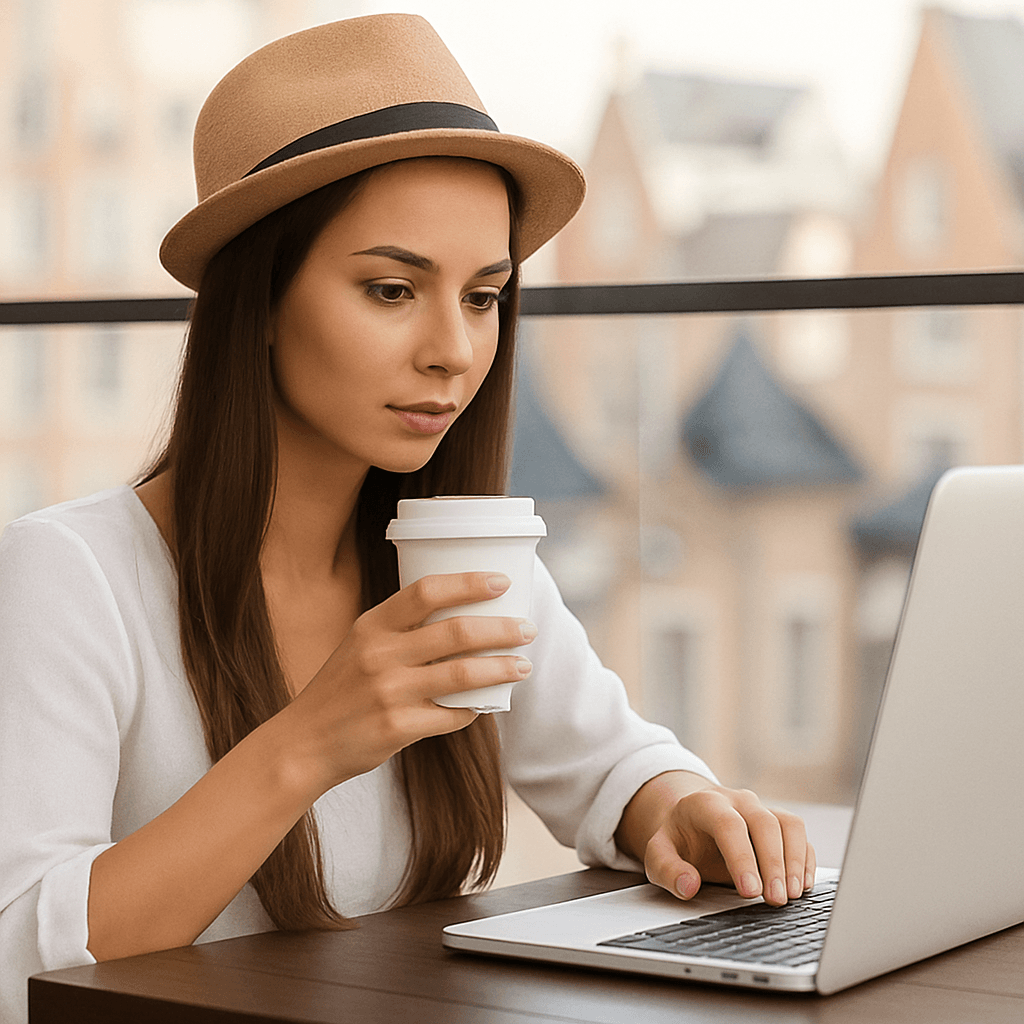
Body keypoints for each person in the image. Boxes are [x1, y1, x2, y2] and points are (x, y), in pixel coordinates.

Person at [0, 14, 815, 1023]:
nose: (453, 350)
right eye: (392, 289)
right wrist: (307, 744)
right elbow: (16, 957)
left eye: (482, 297)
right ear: (256, 297)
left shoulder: (451, 554)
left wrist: (682, 809)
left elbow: (609, 762)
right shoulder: (69, 575)